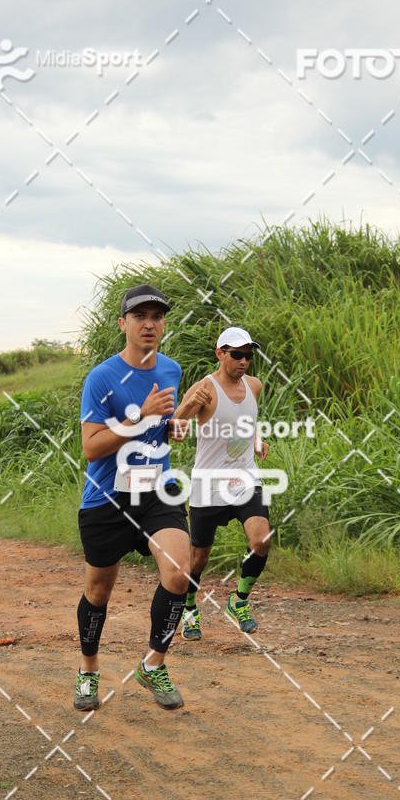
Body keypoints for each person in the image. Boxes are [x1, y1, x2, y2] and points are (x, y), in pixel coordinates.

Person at [74, 285, 190, 712]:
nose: (149, 323)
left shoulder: (172, 370)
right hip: (107, 498)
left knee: (179, 573)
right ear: (123, 323)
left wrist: (173, 427)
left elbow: (163, 428)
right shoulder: (102, 378)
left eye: (157, 316)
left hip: (156, 492)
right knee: (99, 591)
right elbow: (92, 447)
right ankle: (88, 671)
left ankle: (153, 664)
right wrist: (139, 415)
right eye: (140, 316)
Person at [172, 327, 271, 640]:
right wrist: (189, 406)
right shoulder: (205, 388)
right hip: (209, 484)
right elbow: (174, 427)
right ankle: (189, 606)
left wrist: (256, 440)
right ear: (220, 354)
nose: (243, 361)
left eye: (248, 356)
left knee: (261, 541)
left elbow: (246, 421)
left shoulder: (254, 386)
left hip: (245, 478)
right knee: (199, 558)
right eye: (236, 354)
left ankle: (238, 602)